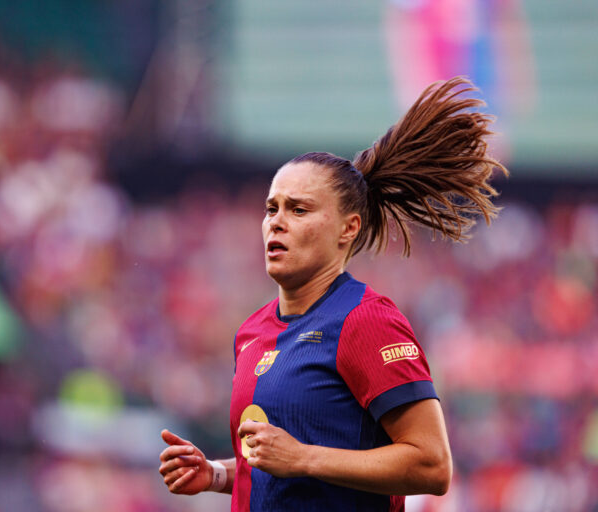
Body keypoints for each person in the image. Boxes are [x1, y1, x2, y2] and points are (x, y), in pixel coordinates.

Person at [158, 76, 508, 511]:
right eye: (272, 208)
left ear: (348, 228)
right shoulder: (251, 331)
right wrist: (216, 474)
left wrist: (303, 458)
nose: (276, 222)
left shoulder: (366, 320)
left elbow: (432, 465)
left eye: (299, 209)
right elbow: (275, 467)